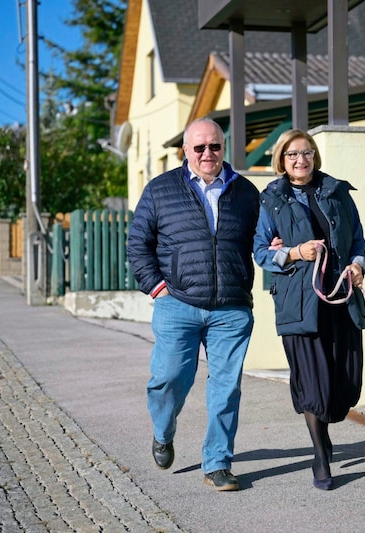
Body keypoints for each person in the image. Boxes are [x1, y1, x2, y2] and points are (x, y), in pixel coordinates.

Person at [127, 117, 259, 492]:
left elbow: (265, 241)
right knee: (168, 379)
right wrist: (157, 289)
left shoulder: (246, 192)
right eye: (198, 147)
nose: (207, 153)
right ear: (185, 151)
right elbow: (138, 246)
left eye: (214, 146)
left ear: (224, 148)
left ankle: (217, 463)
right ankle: (163, 431)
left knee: (226, 388)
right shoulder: (159, 190)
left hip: (231, 308)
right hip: (178, 304)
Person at [253, 129, 365, 490]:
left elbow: (358, 239)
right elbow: (261, 252)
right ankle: (320, 456)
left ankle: (326, 429)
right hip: (298, 303)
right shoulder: (271, 200)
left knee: (346, 385)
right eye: (291, 154)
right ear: (281, 160)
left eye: (306, 153)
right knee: (312, 383)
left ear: (314, 156)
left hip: (341, 297)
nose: (300, 160)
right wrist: (294, 252)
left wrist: (358, 265)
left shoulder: (336, 192)